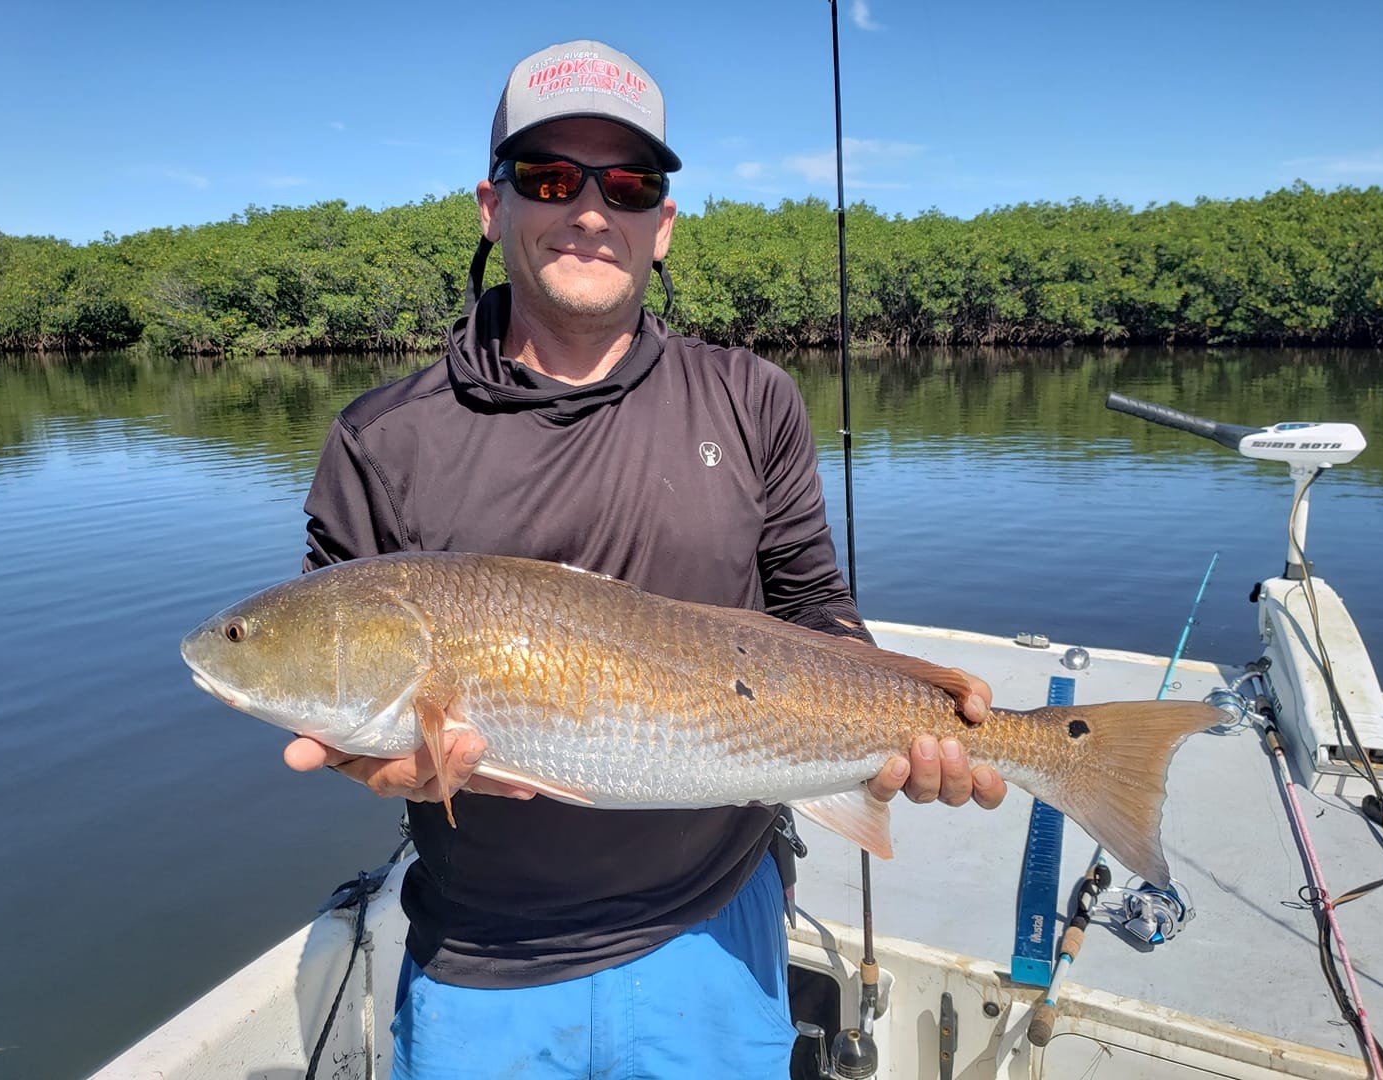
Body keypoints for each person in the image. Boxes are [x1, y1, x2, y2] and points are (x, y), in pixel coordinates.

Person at [285, 39, 1007, 1079]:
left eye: (626, 185)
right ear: (491, 205)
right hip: (484, 957)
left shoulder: (751, 397)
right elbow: (347, 688)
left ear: (661, 224)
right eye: (550, 177)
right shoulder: (380, 440)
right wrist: (370, 761)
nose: (590, 210)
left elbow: (814, 606)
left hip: (717, 927)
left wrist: (912, 708)